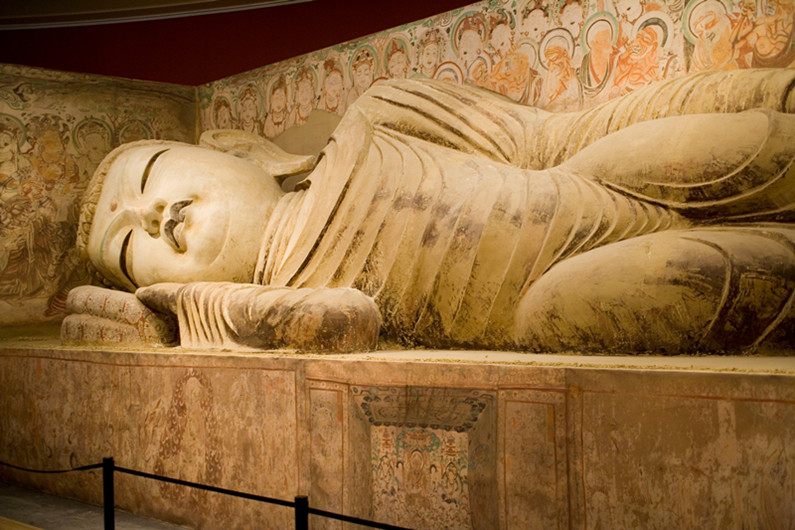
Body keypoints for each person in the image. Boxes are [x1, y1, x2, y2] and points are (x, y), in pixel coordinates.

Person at [71, 69, 795, 354]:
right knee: (705, 279)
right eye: (128, 247)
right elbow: (339, 322)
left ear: (233, 147)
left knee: (738, 148)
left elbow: (549, 138)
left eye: (152, 174)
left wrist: (763, 91)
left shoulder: (379, 115)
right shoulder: (283, 300)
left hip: (593, 183)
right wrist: (180, 305)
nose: (150, 215)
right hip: (550, 301)